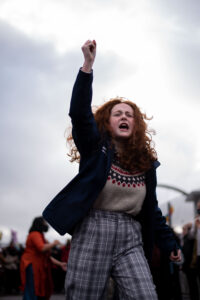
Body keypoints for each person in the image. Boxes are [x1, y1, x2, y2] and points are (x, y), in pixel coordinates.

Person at [43, 40, 181, 300]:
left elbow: (151, 208)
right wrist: (87, 66)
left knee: (145, 296)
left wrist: (169, 242)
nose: (125, 117)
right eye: (118, 114)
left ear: (136, 124)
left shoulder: (145, 163)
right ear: (107, 122)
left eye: (129, 114)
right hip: (93, 230)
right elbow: (80, 114)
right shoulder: (96, 148)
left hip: (131, 235)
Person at [20, 216, 66, 300]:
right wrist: (54, 243)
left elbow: (47, 257)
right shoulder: (35, 234)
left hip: (37, 266)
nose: (46, 224)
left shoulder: (40, 235)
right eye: (45, 222)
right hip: (32, 266)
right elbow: (42, 248)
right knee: (33, 289)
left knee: (38, 289)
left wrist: (60, 264)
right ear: (40, 224)